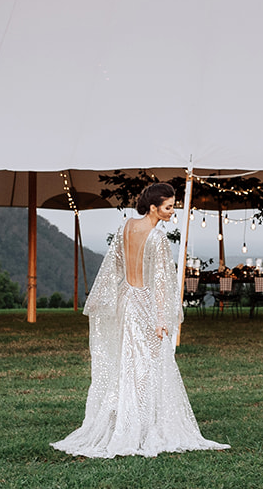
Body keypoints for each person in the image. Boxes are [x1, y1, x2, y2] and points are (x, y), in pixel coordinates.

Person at [52, 182, 229, 459]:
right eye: (169, 207)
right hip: (144, 302)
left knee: (127, 361)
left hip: (125, 299)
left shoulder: (126, 227)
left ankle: (125, 416)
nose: (173, 212)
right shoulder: (157, 237)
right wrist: (162, 318)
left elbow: (115, 266)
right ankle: (140, 424)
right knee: (147, 364)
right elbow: (160, 283)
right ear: (154, 207)